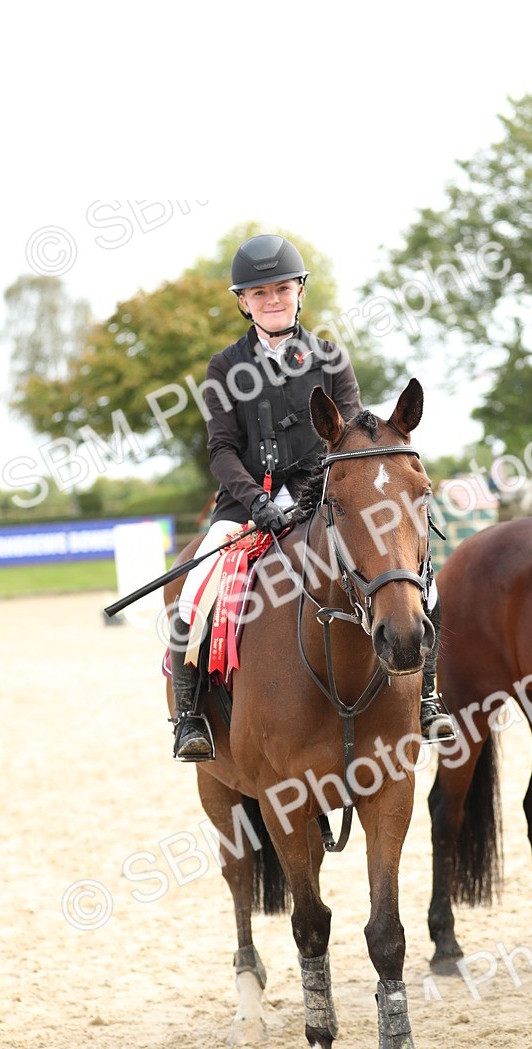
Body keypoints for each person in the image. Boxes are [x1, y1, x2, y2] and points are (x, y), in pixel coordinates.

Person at [170, 233, 453, 760]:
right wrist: (257, 502)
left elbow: (350, 440)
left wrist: (310, 496)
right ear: (243, 302)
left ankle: (428, 697)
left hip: (320, 499)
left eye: (282, 289)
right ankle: (190, 719)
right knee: (195, 593)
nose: (272, 300)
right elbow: (222, 451)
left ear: (300, 291)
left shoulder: (329, 358)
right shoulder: (224, 367)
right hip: (244, 507)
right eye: (259, 293)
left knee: (415, 581)